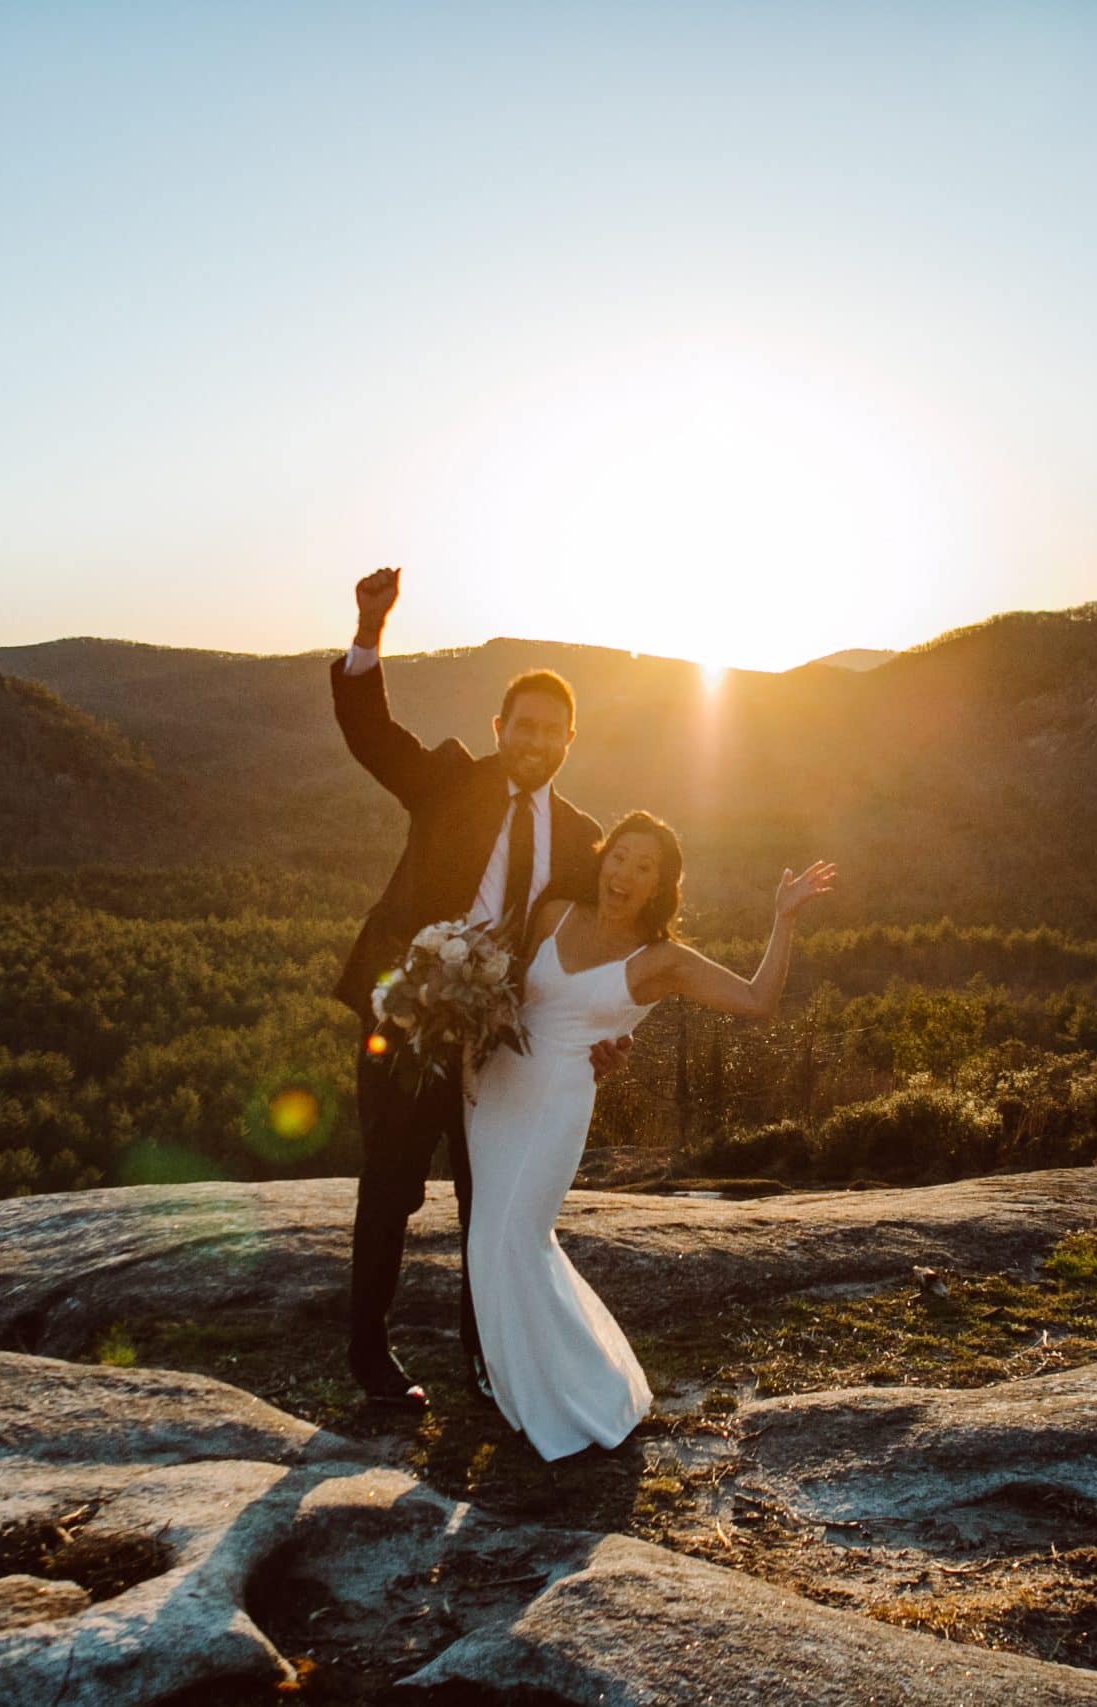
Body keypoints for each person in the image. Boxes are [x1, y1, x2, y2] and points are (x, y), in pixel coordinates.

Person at [331, 566, 627, 1408]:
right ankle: (368, 1356)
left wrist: (610, 1026)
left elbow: (599, 945)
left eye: (552, 730)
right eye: (522, 724)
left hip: (500, 1038)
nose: (534, 740)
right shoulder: (451, 778)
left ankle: (486, 1357)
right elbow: (370, 731)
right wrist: (368, 630)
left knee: (486, 1198)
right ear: (500, 727)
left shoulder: (581, 837)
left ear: (570, 740)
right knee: (388, 1182)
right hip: (404, 1013)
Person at [466, 810, 836, 1460]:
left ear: (661, 887)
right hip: (497, 1089)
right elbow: (501, 985)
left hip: (560, 1100)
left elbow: (757, 1000)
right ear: (603, 855)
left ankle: (589, 1394)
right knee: (487, 1244)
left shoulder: (662, 959)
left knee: (522, 1238)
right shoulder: (553, 911)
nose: (626, 873)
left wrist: (785, 918)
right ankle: (519, 1396)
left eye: (646, 867)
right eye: (621, 855)